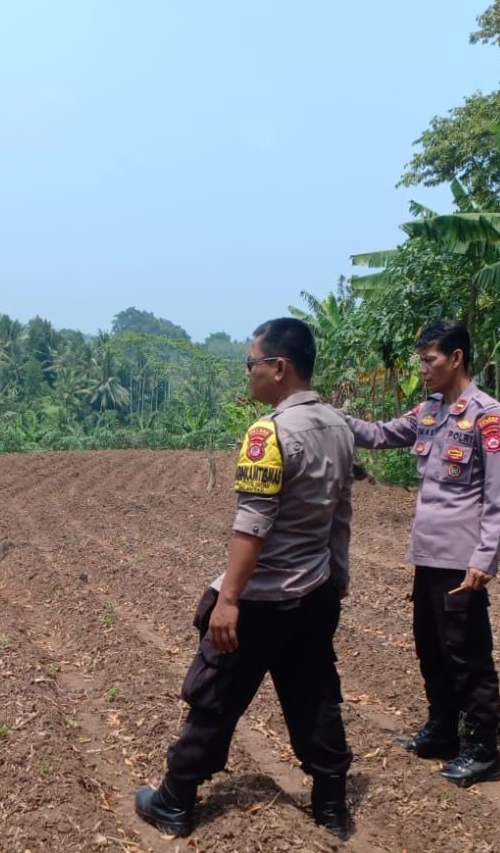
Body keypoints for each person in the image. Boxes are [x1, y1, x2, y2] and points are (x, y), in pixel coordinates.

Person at [135, 317, 356, 839]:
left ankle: (175, 799)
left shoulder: (269, 433)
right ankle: (330, 804)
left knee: (215, 694)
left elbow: (252, 526)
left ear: (279, 368)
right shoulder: (339, 427)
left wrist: (228, 599)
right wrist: (338, 576)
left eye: (251, 363)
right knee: (314, 696)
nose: (248, 372)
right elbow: (341, 514)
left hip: (262, 599)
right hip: (316, 591)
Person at [342, 318, 500, 786]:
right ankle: (442, 730)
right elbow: (379, 433)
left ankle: (483, 749)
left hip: (460, 559)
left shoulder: (488, 416)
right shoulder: (431, 411)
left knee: (467, 653)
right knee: (432, 647)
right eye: (421, 360)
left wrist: (484, 558)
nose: (422, 369)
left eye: (429, 360)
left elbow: (498, 495)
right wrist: (329, 417)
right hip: (427, 554)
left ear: (456, 358)